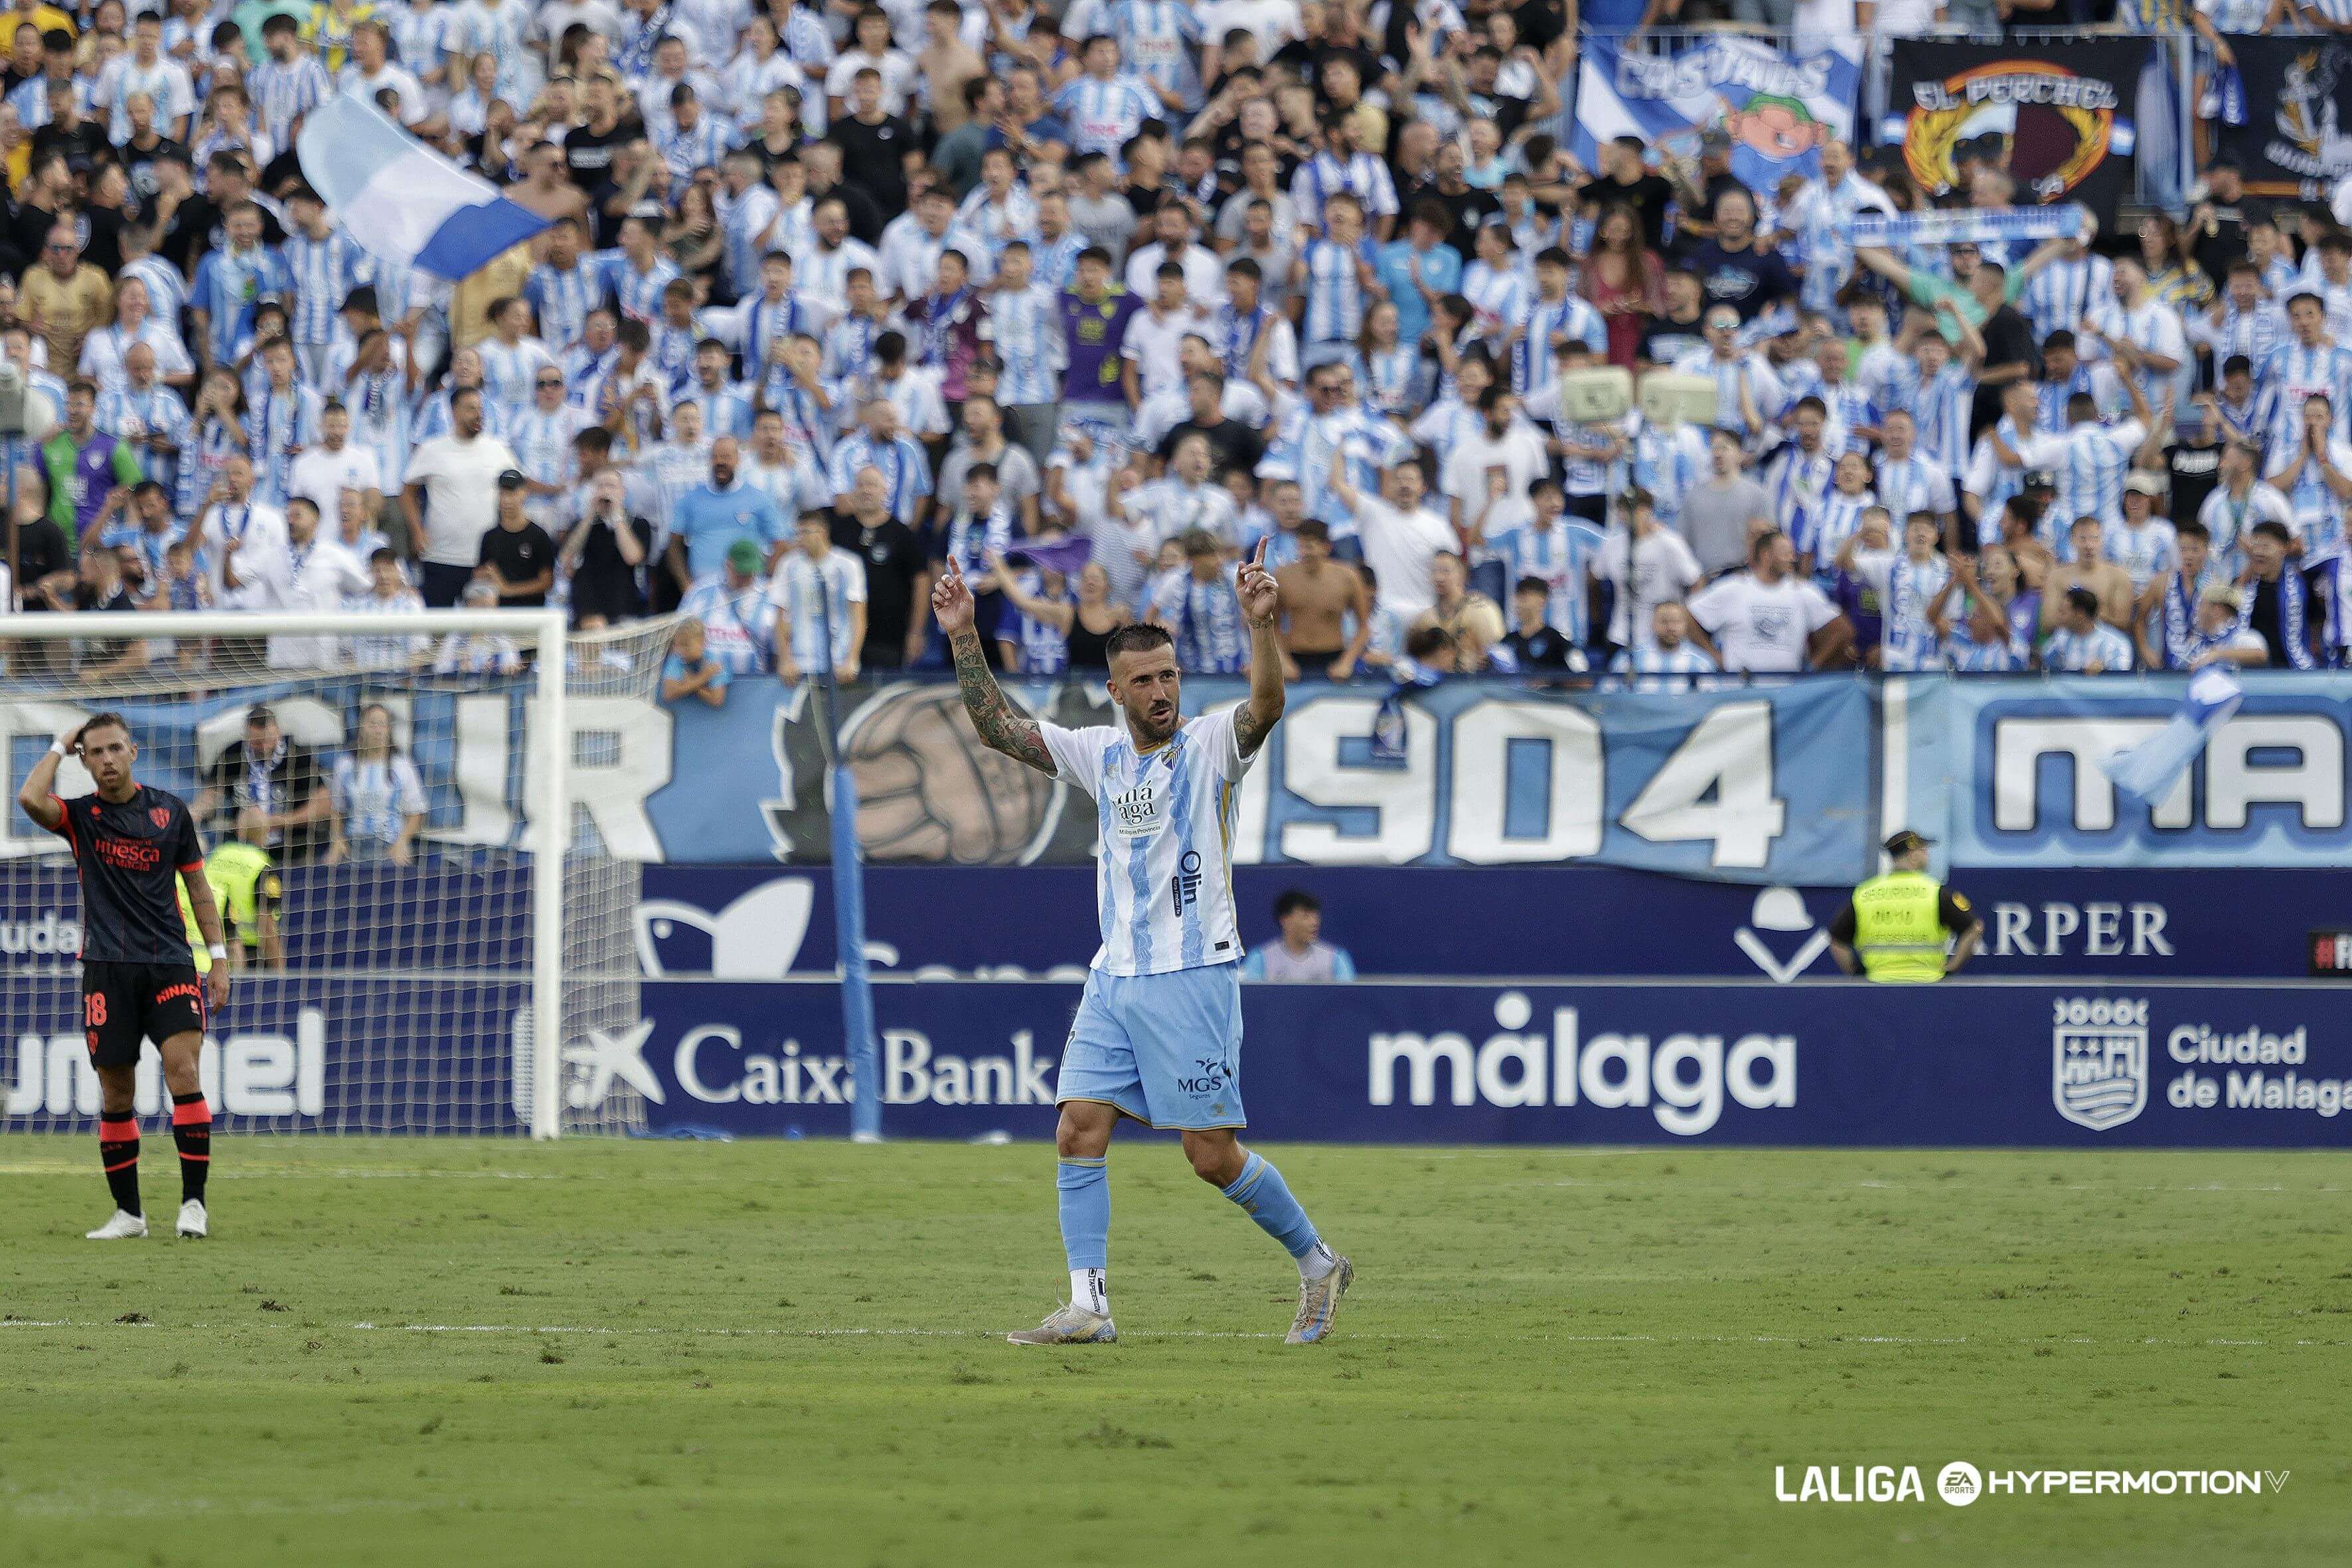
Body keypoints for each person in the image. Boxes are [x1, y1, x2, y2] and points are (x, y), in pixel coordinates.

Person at [931, 543, 1350, 1347]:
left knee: (1210, 1156)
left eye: (1170, 676)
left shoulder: (1211, 746)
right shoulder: (1100, 753)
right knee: (1077, 1127)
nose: (1161, 692)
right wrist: (963, 637)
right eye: (1145, 681)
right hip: (1114, 977)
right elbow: (999, 728)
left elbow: (1266, 705)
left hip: (1193, 975)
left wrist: (1263, 627)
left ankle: (1317, 1262)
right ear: (1116, 690)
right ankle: (1089, 1306)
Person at [16, 714, 228, 1241]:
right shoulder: (80, 817)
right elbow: (27, 799)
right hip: (107, 970)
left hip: (171, 963)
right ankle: (129, 1214)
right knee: (115, 1092)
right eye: (95, 752)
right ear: (85, 761)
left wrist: (219, 957)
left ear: (133, 752)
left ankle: (194, 1205)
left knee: (184, 1072)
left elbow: (199, 890)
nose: (107, 759)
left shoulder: (169, 813)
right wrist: (59, 744)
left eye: (114, 749)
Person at [402, 385, 520, 607]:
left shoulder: (498, 450)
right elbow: (407, 492)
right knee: (438, 631)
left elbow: (517, 491)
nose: (478, 415)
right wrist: (417, 530)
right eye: (471, 409)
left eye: (480, 409)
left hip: (485, 561)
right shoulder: (432, 449)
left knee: (482, 633)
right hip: (440, 556)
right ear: (454, 412)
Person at [1828, 830, 1983, 984]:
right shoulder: (1935, 892)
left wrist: (1855, 973)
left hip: (1877, 984)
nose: (1927, 855)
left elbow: (1836, 941)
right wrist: (1952, 967)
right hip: (1928, 983)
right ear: (1913, 856)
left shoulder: (1864, 894)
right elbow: (1975, 928)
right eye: (1923, 850)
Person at [192, 704, 330, 862]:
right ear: (247, 735)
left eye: (268, 741)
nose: (264, 748)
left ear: (277, 732)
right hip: (244, 847)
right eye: (257, 743)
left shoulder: (298, 756)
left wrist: (280, 821)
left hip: (291, 848)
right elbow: (212, 793)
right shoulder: (232, 755)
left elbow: (324, 805)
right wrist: (197, 812)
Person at [178, 807, 283, 973]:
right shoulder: (262, 866)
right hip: (249, 953)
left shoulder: (217, 855)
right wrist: (280, 972)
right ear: (267, 832)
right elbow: (266, 925)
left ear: (239, 829)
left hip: (215, 944)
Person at [326, 703, 428, 865]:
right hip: (353, 843)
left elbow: (416, 814)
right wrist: (338, 841)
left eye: (383, 725)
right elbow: (337, 811)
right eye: (372, 724)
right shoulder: (345, 765)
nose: (378, 730)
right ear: (361, 728)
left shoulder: (402, 766)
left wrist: (401, 842)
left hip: (389, 843)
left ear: (389, 730)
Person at [1237, 890, 1357, 982]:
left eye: (1316, 917)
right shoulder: (1260, 958)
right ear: (1285, 920)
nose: (1314, 923)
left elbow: (1348, 998)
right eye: (1306, 916)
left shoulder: (1336, 958)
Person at [661, 617, 734, 708]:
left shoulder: (714, 661)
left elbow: (717, 700)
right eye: (677, 645)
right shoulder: (676, 657)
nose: (681, 650)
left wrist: (690, 683)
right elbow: (668, 694)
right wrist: (703, 678)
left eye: (686, 645)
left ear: (702, 642)